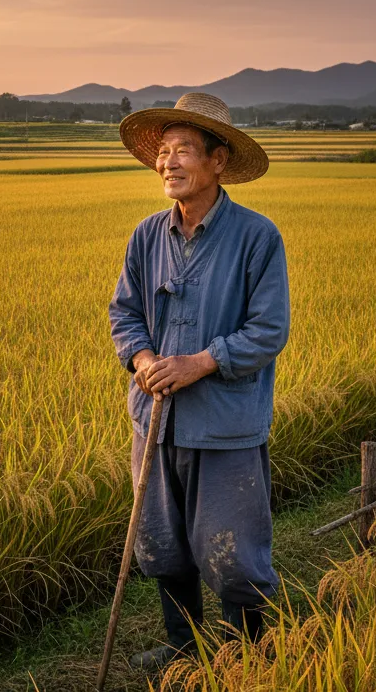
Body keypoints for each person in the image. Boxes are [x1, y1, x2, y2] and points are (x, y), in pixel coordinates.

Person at [108, 92, 290, 671]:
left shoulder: (257, 238)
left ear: (217, 160)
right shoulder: (146, 236)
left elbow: (268, 330)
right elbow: (124, 313)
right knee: (162, 542)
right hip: (156, 420)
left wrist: (200, 362)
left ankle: (246, 656)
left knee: (233, 549)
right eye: (163, 152)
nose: (169, 162)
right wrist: (141, 361)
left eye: (183, 150)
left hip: (225, 422)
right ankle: (182, 648)